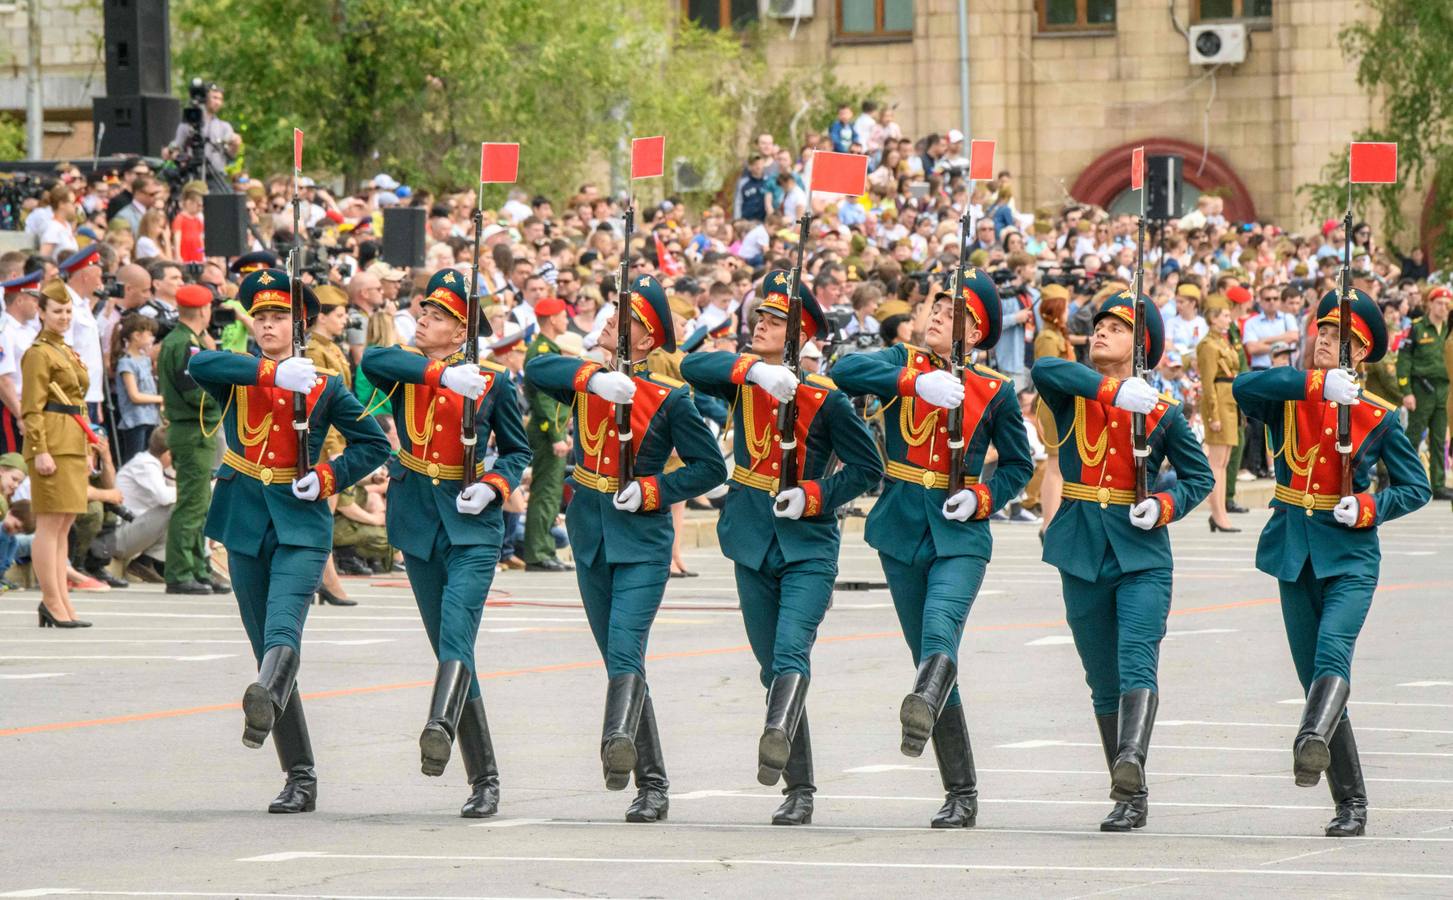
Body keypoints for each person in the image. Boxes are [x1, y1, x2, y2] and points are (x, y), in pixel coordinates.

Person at [832, 270, 1033, 828]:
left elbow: (1019, 463)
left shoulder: (994, 390)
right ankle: (961, 792)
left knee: (940, 635)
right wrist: (911, 386)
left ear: (979, 332)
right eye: (937, 308)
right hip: (900, 527)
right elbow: (843, 372)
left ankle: (939, 750)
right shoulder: (902, 364)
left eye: (955, 313)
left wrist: (985, 497)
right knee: (930, 659)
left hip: (959, 531)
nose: (939, 316)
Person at [681, 272, 881, 826]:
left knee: (792, 653)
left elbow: (869, 468)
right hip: (750, 539)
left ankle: (778, 741)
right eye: (759, 319)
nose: (759, 326)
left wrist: (815, 495)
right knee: (772, 669)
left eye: (772, 323)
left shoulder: (826, 399)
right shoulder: (745, 380)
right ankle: (800, 786)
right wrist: (754, 369)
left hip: (807, 546)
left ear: (799, 336)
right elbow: (692, 364)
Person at [525, 273, 725, 823]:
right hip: (590, 539)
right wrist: (593, 376)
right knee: (621, 659)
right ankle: (653, 782)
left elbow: (710, 467)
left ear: (646, 339)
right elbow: (536, 368)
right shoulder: (586, 379)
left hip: (641, 541)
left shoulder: (669, 399)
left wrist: (656, 488)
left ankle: (619, 746)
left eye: (624, 318)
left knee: (624, 650)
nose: (609, 321)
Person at [189, 268, 389, 814]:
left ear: (300, 324)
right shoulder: (239, 373)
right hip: (246, 518)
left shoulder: (325, 384)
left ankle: (277, 725)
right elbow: (198, 362)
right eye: (261, 318)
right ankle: (299, 774)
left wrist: (327, 477)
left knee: (284, 628)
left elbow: (374, 445)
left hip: (301, 522)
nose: (268, 325)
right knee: (266, 651)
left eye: (279, 317)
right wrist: (272, 375)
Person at [1232, 290, 1430, 837]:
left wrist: (1370, 505)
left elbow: (1416, 488)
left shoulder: (1379, 417)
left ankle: (1310, 745)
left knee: (1331, 657)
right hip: (1295, 554)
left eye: (1338, 336)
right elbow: (1244, 386)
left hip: (1350, 556)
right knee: (1313, 679)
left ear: (1361, 352)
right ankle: (1352, 802)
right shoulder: (1290, 394)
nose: (1323, 339)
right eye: (1321, 330)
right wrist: (1317, 384)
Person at [1030, 292, 1213, 832]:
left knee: (1136, 661)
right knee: (1101, 680)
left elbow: (1198, 476)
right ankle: (1128, 791)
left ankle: (1130, 766)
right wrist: (1116, 389)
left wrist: (1164, 504)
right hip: (1081, 550)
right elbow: (1045, 368)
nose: (1102, 332)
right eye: (1100, 324)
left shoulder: (1162, 411)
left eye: (1118, 327)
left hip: (1141, 555)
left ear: (1142, 346)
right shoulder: (1074, 393)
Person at [361, 268, 531, 818]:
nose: (422, 320)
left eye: (436, 316)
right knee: (449, 647)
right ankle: (485, 778)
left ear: (462, 332)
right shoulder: (408, 368)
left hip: (471, 525)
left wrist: (493, 485)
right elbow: (372, 361)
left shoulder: (493, 381)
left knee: (458, 632)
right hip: (418, 522)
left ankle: (439, 723)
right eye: (423, 312)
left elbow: (518, 451)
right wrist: (439, 376)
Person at [24, 280, 97, 628]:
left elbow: (78, 400)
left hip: (72, 439)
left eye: (68, 311)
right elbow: (31, 407)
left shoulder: (64, 350)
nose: (64, 317)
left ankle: (62, 601)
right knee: (50, 524)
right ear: (41, 313)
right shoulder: (39, 352)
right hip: (51, 440)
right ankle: (51, 600)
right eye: (57, 311)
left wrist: (88, 445)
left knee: (65, 523)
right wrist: (39, 449)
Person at [157, 284, 225, 595]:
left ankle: (198, 567)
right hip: (193, 427)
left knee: (201, 502)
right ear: (202, 310)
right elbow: (195, 393)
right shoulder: (184, 344)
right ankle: (181, 571)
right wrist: (225, 396)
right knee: (192, 503)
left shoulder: (189, 341)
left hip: (197, 428)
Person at [304, 285, 359, 607]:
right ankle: (324, 579)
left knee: (324, 514)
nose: (344, 320)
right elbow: (319, 406)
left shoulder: (330, 348)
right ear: (321, 316)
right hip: (326, 444)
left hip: (336, 439)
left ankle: (319, 578)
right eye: (338, 315)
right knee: (321, 515)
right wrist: (333, 447)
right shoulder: (315, 351)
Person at [520, 297, 573, 572]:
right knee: (546, 491)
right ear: (553, 319)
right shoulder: (542, 350)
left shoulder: (548, 348)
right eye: (563, 315)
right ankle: (538, 552)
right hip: (546, 431)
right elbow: (543, 398)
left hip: (552, 429)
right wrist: (555, 435)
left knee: (550, 493)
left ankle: (545, 549)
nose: (566, 320)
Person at [1396, 285, 1451, 500]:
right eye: (1439, 303)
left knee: (1439, 439)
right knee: (1413, 435)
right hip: (1422, 389)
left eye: (1447, 305)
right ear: (1429, 303)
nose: (1443, 308)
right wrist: (1406, 391)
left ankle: (1438, 484)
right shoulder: (1417, 328)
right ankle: (1405, 480)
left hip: (1444, 390)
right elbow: (1404, 361)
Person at [1032, 284, 1076, 540]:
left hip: (1062, 404)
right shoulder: (1048, 339)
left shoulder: (1056, 336)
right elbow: (1048, 376)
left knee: (1059, 465)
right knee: (1055, 465)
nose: (1068, 311)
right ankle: (1048, 524)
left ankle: (1052, 522)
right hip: (1053, 405)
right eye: (1066, 306)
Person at [1198, 300, 1242, 533]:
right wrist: (1213, 414)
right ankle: (1217, 513)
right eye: (1224, 315)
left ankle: (1221, 511)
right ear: (1213, 318)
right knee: (1216, 463)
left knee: (1223, 462)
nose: (1228, 319)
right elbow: (1208, 383)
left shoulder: (1222, 342)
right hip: (1218, 405)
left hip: (1229, 402)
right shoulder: (1207, 345)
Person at [112, 315, 164, 463]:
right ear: (136, 335)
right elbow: (135, 395)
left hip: (150, 418)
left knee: (149, 459)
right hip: (135, 420)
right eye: (149, 334)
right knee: (135, 460)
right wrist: (160, 399)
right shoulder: (126, 363)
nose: (152, 338)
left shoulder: (145, 360)